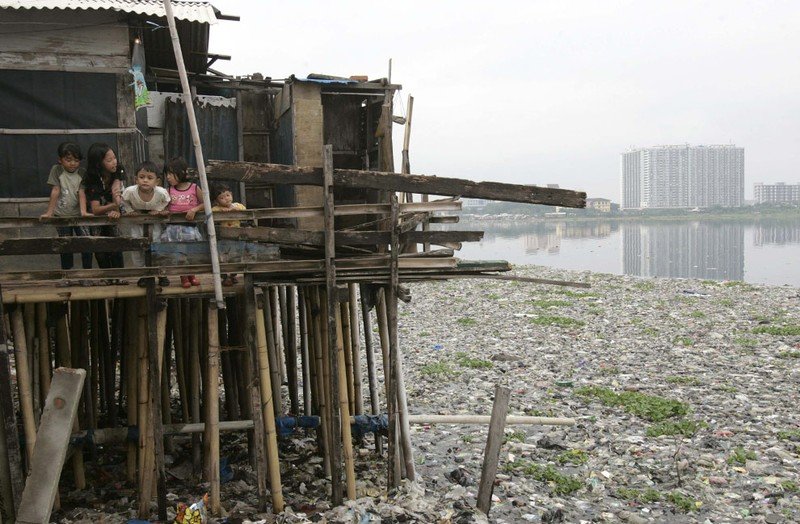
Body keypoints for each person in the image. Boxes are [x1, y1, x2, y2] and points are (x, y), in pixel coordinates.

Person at [40, 142, 93, 271]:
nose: (72, 163)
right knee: (65, 246)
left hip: (79, 216)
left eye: (76, 160)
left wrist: (83, 212)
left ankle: (87, 274)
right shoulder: (56, 170)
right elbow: (55, 190)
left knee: (86, 244)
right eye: (68, 160)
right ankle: (67, 275)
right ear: (60, 160)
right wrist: (49, 213)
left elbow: (81, 193)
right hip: (61, 215)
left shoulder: (82, 172)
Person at [120, 161, 171, 287]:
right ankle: (143, 275)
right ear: (136, 179)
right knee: (138, 247)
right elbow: (124, 201)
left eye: (149, 178)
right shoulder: (130, 192)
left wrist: (159, 209)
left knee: (157, 247)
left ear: (157, 181)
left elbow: (167, 201)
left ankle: (161, 274)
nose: (145, 181)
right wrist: (130, 211)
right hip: (137, 222)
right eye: (142, 177)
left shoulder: (161, 192)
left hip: (155, 223)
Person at [161, 157, 204, 288]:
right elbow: (163, 206)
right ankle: (183, 277)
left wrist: (195, 209)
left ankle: (192, 275)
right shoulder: (168, 191)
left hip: (189, 228)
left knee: (190, 252)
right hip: (173, 229)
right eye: (166, 174)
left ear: (182, 173)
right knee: (178, 253)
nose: (168, 177)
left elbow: (205, 203)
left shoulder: (194, 187)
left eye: (171, 174)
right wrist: (163, 211)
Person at [84, 143, 126, 272]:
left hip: (114, 208)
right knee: (99, 245)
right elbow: (96, 209)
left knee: (116, 243)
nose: (114, 162)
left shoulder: (118, 169)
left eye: (114, 157)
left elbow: (116, 190)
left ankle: (119, 275)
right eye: (109, 160)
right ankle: (106, 276)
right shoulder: (92, 178)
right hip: (98, 213)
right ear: (99, 163)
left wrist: (116, 208)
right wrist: (113, 206)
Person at [210, 182, 246, 286]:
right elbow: (212, 212)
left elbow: (244, 209)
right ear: (217, 201)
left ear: (231, 194)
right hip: (223, 239)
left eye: (227, 195)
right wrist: (221, 211)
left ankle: (233, 275)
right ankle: (225, 277)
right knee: (223, 258)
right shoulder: (217, 209)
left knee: (236, 256)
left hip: (236, 237)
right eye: (222, 197)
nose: (226, 198)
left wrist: (234, 210)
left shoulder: (238, 205)